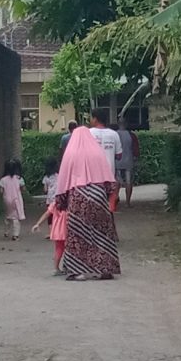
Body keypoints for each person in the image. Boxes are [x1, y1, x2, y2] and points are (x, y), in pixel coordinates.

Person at [55, 120, 121, 281]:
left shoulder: (70, 154)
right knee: (102, 234)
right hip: (98, 196)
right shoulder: (97, 152)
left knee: (78, 235)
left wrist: (61, 204)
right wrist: (110, 197)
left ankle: (78, 271)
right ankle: (105, 269)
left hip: (78, 198)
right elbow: (110, 182)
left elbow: (63, 181)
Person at [0, 159, 27, 240]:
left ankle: (6, 231)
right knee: (16, 217)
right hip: (16, 200)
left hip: (7, 200)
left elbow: (1, 191)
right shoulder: (19, 179)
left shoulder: (3, 180)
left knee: (8, 215)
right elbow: (23, 188)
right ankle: (15, 235)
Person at [115, 118, 140, 207]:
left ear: (118, 124)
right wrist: (136, 158)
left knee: (117, 181)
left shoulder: (114, 135)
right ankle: (128, 202)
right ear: (126, 125)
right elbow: (135, 149)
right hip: (128, 161)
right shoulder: (131, 135)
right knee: (129, 182)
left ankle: (115, 199)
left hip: (117, 161)